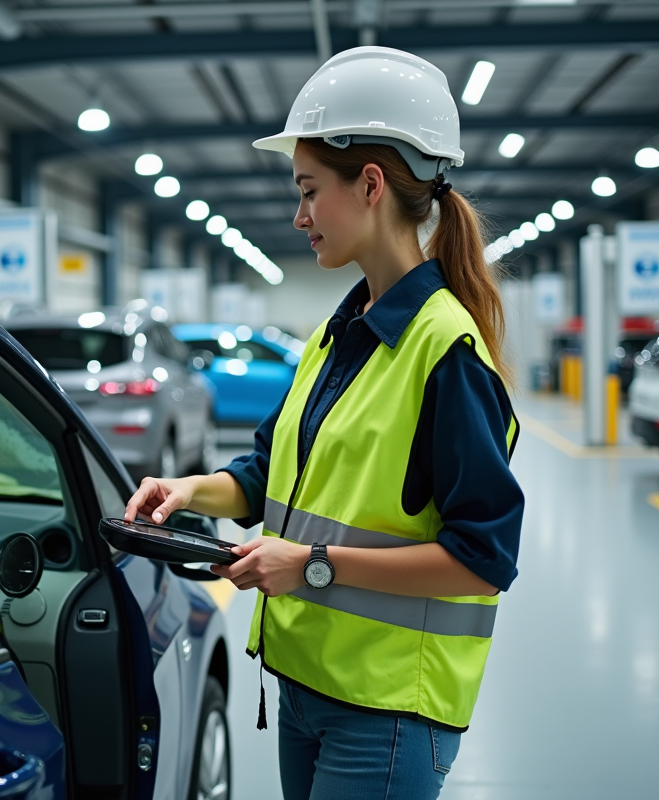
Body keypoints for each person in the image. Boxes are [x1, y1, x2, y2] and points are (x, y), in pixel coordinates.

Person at [124, 46, 524, 800]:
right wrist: (186, 492)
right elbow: (267, 470)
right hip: (307, 684)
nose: (298, 214)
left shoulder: (445, 353)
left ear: (370, 184)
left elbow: (483, 558)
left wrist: (310, 565)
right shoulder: (339, 332)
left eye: (309, 191)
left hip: (387, 709)